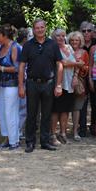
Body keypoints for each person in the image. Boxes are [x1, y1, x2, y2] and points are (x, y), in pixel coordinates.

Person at [18, 19, 63, 153]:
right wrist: (21, 85)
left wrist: (59, 85)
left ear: (45, 28)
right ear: (33, 29)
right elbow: (21, 66)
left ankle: (45, 141)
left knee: (47, 114)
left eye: (42, 27)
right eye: (37, 28)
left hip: (48, 83)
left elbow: (60, 64)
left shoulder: (53, 44)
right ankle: (30, 142)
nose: (40, 30)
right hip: (32, 83)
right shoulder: (28, 45)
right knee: (31, 114)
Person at [49, 29, 81, 146]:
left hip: (69, 84)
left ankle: (63, 133)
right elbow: (64, 63)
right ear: (53, 37)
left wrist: (75, 76)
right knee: (55, 110)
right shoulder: (52, 49)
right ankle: (52, 134)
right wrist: (78, 64)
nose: (61, 38)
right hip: (58, 83)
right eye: (58, 36)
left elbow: (75, 62)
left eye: (63, 35)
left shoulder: (69, 48)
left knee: (65, 110)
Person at [0, 25, 21, 150]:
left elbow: (18, 68)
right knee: (2, 111)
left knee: (11, 112)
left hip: (12, 85)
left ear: (4, 35)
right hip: (1, 84)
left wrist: (1, 68)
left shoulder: (15, 47)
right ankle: (7, 138)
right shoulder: (1, 47)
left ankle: (14, 140)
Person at [78, 21, 96, 137]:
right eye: (83, 30)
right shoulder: (77, 43)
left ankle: (95, 126)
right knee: (82, 104)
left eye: (89, 30)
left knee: (95, 103)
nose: (86, 33)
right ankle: (82, 127)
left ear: (93, 32)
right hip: (81, 78)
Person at [68, 31, 89, 141]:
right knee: (64, 107)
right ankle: (63, 131)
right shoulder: (66, 51)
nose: (74, 42)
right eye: (72, 40)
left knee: (76, 108)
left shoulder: (84, 52)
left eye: (76, 40)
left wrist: (82, 67)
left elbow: (87, 69)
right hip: (66, 81)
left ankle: (76, 131)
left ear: (80, 41)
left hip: (79, 83)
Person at [16, 27, 29, 139]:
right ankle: (18, 131)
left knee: (22, 108)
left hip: (25, 81)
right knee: (21, 108)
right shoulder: (20, 49)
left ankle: (19, 130)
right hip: (20, 82)